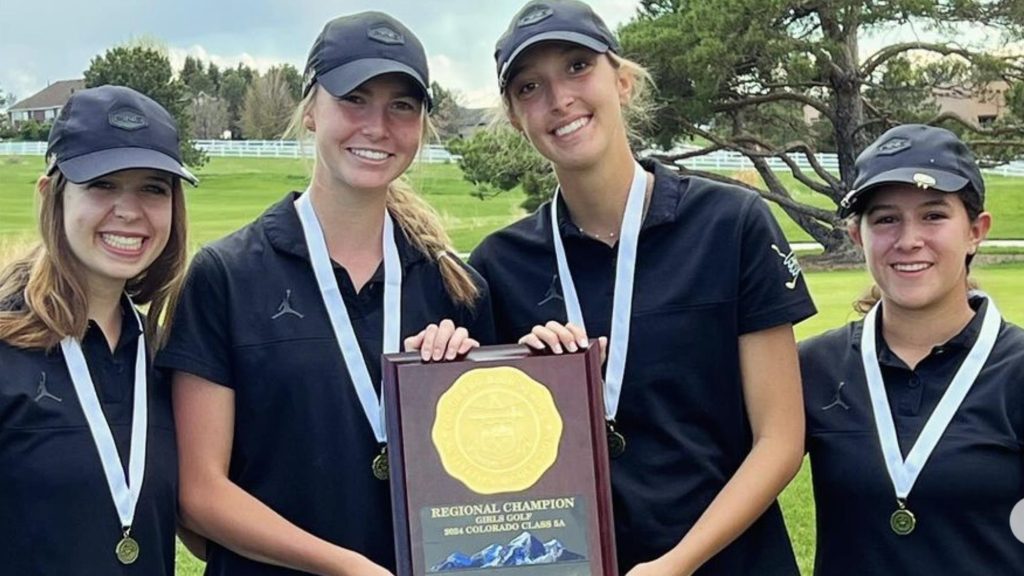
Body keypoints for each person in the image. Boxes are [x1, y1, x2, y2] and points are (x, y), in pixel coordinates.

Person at [469, 1, 817, 574]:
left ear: (623, 82)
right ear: (515, 118)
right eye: (530, 87)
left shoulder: (731, 225)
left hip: (732, 562)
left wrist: (677, 563)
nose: (559, 100)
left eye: (578, 67)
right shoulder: (499, 264)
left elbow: (780, 439)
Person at [157, 11, 493, 576]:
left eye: (401, 106)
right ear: (311, 108)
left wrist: (548, 364)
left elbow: (494, 477)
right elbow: (200, 492)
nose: (377, 126)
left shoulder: (457, 289)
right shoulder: (226, 276)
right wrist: (347, 567)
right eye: (354, 99)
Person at [800, 124, 1024, 574]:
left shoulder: (1017, 368)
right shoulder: (810, 368)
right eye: (885, 219)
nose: (908, 240)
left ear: (976, 231)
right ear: (857, 236)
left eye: (933, 215)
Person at [0, 85, 197, 574]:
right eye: (103, 184)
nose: (128, 211)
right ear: (53, 195)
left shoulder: (164, 353)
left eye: (152, 187)